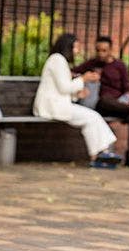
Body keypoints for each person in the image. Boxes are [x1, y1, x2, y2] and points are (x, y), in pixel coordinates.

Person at [33, 33, 123, 169]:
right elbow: (64, 88)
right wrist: (84, 79)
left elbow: (62, 89)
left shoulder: (59, 60)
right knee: (92, 117)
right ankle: (101, 154)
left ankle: (100, 154)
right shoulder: (57, 60)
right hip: (52, 107)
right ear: (67, 47)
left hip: (60, 104)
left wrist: (77, 95)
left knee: (91, 119)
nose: (77, 51)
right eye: (75, 47)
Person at [74, 35, 129, 169]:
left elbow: (127, 90)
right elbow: (73, 72)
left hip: (119, 105)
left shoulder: (119, 66)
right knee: (105, 100)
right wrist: (86, 79)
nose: (100, 54)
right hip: (101, 104)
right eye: (98, 50)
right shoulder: (92, 64)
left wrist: (124, 101)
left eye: (104, 50)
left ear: (110, 50)